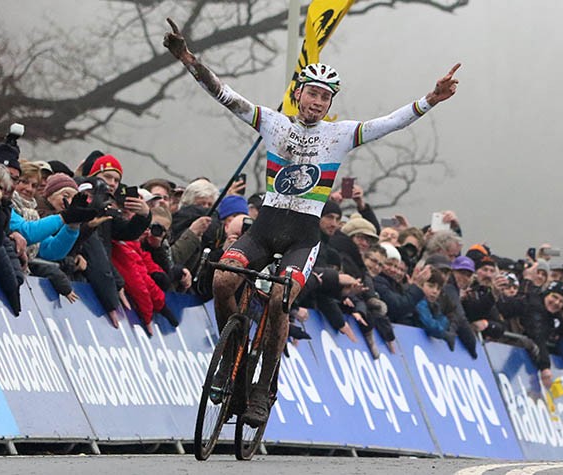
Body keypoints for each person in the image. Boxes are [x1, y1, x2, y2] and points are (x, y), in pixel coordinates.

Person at [164, 17, 460, 427]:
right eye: (312, 93)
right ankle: (231, 359)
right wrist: (187, 58)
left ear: (330, 103)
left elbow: (390, 122)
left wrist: (431, 98)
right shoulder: (273, 123)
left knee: (279, 300)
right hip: (264, 230)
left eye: (325, 96)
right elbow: (224, 95)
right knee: (222, 281)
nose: (317, 101)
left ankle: (263, 388)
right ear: (298, 94)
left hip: (303, 237)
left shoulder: (339, 134)